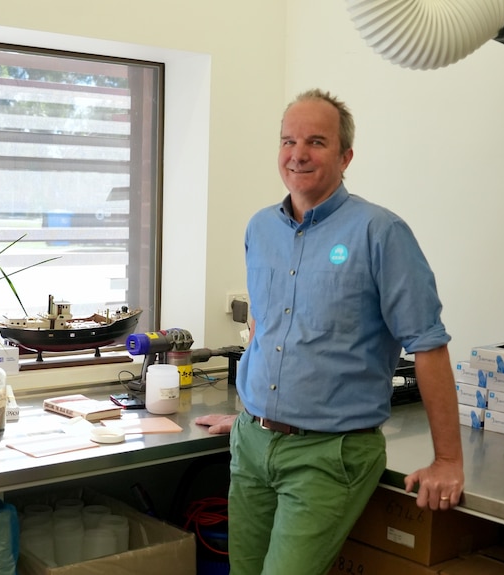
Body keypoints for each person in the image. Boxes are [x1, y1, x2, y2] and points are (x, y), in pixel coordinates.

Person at [195, 89, 464, 575]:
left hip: (329, 453)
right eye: (288, 140)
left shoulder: (380, 232)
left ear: (345, 157)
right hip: (253, 445)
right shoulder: (260, 229)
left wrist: (447, 460)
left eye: (316, 141)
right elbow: (266, 328)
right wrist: (253, 414)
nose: (298, 154)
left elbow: (428, 345)